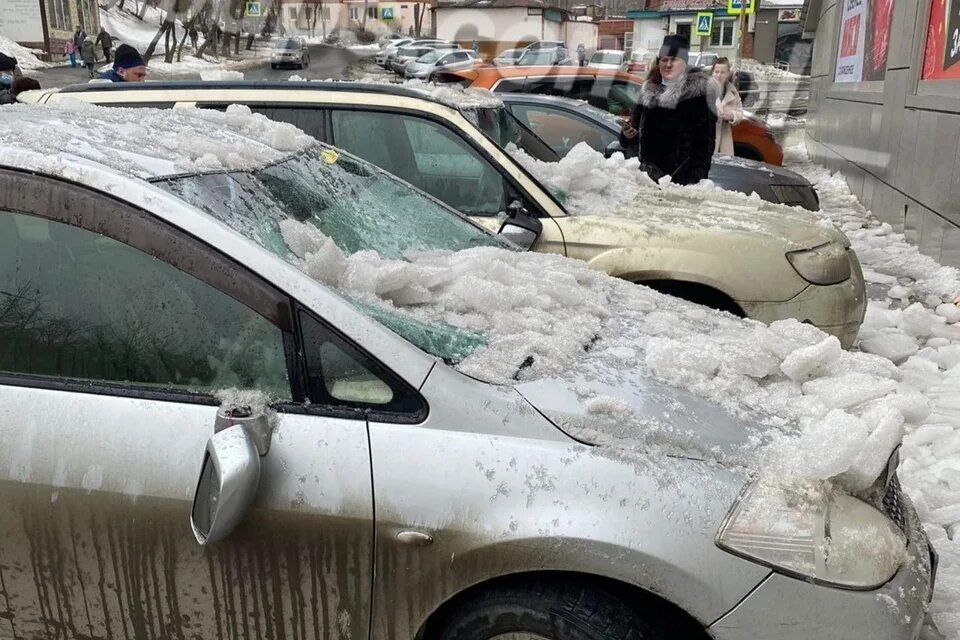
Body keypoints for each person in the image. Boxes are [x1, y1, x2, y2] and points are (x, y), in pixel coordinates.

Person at [619, 35, 717, 185]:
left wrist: (694, 180)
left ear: (684, 63)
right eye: (664, 60)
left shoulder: (699, 94)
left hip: (680, 182)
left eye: (674, 59)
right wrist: (627, 134)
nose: (668, 64)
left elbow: (705, 144)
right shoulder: (648, 90)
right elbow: (634, 130)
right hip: (647, 177)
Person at [711, 57, 743, 156]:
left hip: (725, 140)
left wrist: (732, 115)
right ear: (712, 72)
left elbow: (740, 112)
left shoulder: (733, 92)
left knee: (723, 168)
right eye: (716, 72)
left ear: (728, 73)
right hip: (708, 139)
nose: (719, 75)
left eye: (722, 72)